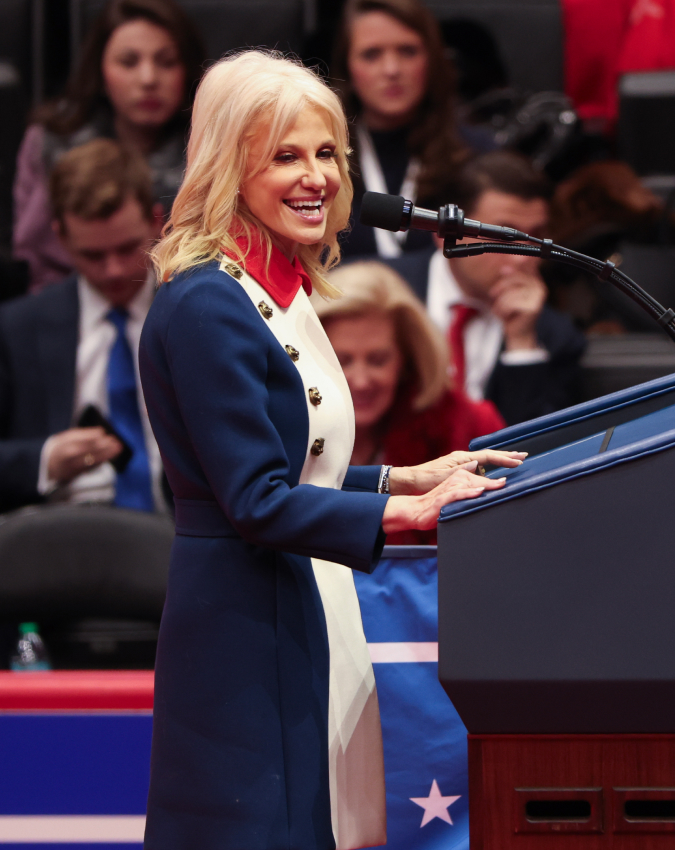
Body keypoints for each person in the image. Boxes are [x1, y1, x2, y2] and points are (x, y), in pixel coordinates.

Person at [138, 50, 524, 849]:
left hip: (305, 602)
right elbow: (253, 499)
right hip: (248, 631)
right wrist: (410, 509)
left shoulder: (275, 283)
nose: (314, 176)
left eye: (324, 153)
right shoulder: (209, 302)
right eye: (284, 156)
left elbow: (292, 462)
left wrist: (402, 472)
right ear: (228, 167)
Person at [0, 138, 167, 521]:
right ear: (61, 238)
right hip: (55, 529)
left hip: (176, 529)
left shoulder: (196, 312)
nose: (112, 270)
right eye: (92, 255)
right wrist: (44, 460)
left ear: (156, 222)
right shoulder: (19, 328)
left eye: (127, 248)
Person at [13, 0, 204, 293]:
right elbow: (35, 264)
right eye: (129, 62)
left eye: (166, 62)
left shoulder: (213, 149)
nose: (148, 79)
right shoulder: (52, 141)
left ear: (188, 71)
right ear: (100, 71)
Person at [385, 150, 586, 425]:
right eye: (503, 235)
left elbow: (539, 447)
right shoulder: (379, 291)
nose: (523, 256)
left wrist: (522, 344)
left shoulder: (555, 336)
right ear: (445, 233)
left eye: (535, 236)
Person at [314, 261, 505, 544]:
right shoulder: (279, 434)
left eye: (378, 360)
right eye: (341, 361)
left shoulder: (468, 427)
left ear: (405, 360)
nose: (361, 380)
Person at [330, 0, 473, 258]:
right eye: (371, 54)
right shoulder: (322, 162)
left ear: (432, 59)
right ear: (348, 68)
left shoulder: (475, 157)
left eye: (408, 51)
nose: (391, 69)